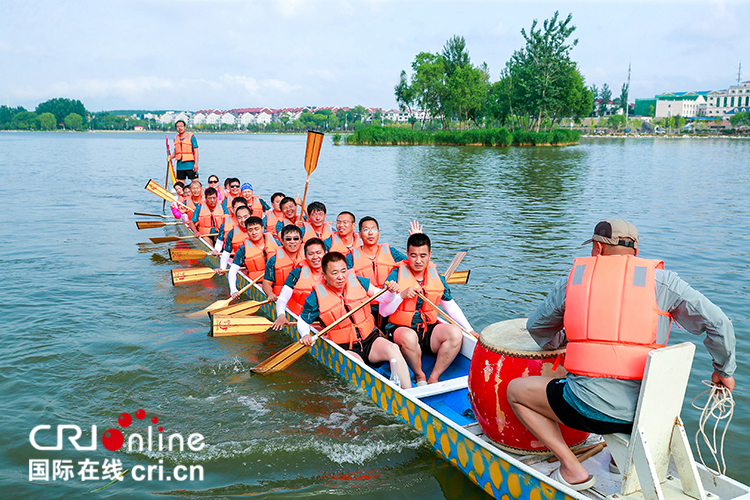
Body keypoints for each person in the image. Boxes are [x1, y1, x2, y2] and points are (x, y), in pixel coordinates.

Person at [506, 219, 736, 491]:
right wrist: (724, 371)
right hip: (650, 411)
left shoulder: (576, 278)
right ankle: (619, 461)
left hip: (589, 410)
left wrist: (567, 343)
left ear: (598, 248)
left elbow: (538, 328)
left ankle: (571, 469)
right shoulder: (663, 281)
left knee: (516, 391)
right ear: (635, 251)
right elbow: (719, 323)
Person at [297, 252, 412, 389]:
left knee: (393, 348)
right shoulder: (315, 297)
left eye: (343, 271)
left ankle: (409, 392)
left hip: (370, 340)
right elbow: (303, 321)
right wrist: (305, 335)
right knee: (358, 364)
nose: (340, 277)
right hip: (346, 347)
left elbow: (383, 298)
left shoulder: (358, 281)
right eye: (334, 273)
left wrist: (391, 292)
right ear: (324, 275)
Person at [379, 233, 474, 386]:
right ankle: (420, 376)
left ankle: (434, 377)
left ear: (430, 255)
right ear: (407, 255)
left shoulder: (437, 277)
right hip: (401, 330)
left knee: (455, 334)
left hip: (428, 330)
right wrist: (400, 296)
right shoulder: (395, 276)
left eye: (423, 255)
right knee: (409, 337)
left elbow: (450, 305)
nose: (418, 260)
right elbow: (383, 311)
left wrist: (469, 329)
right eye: (413, 255)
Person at [272, 238, 327, 330]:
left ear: (325, 253)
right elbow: (282, 298)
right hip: (300, 317)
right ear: (305, 256)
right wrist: (281, 315)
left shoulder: (332, 273)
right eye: (311, 254)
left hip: (323, 320)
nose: (315, 257)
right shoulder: (297, 273)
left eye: (318, 253)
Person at [227, 215, 279, 294]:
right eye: (250, 230)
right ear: (247, 232)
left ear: (262, 229)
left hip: (277, 283)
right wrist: (233, 290)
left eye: (256, 229)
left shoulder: (275, 243)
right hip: (259, 283)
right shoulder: (243, 249)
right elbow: (233, 270)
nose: (254, 232)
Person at [262, 225, 305, 301]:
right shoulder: (273, 260)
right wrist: (270, 294)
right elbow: (266, 283)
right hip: (281, 297)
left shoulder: (309, 258)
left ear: (301, 240)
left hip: (301, 299)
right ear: (282, 241)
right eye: (288, 239)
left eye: (296, 239)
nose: (292, 242)